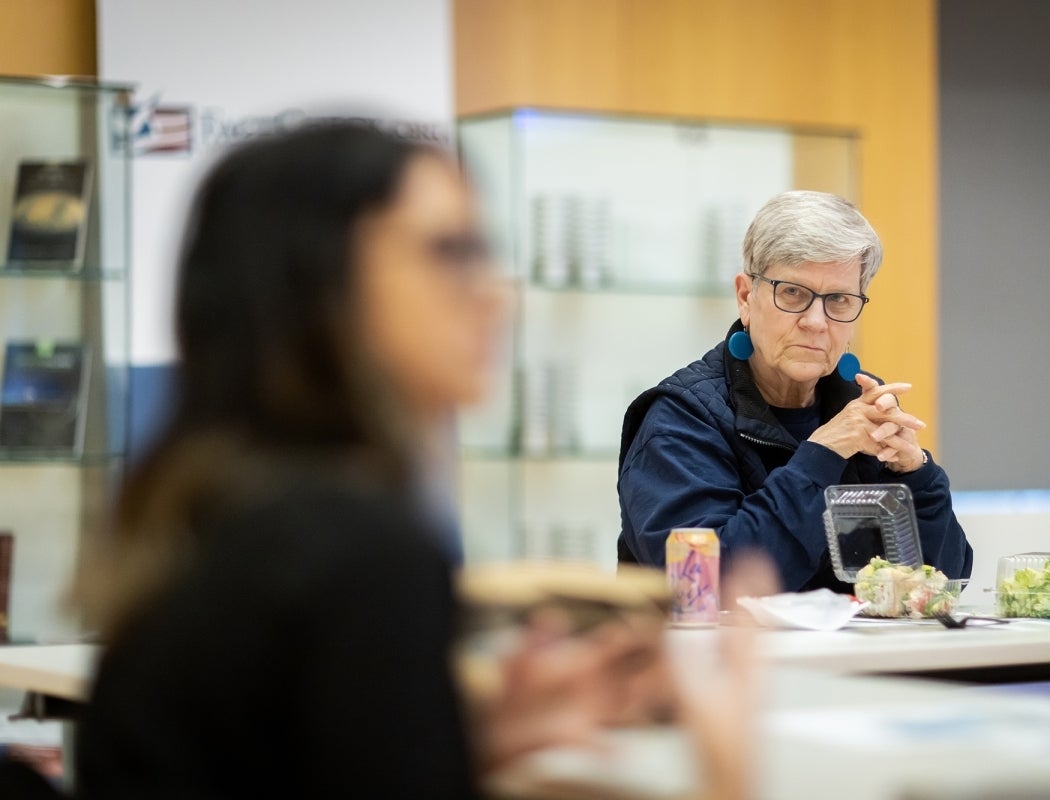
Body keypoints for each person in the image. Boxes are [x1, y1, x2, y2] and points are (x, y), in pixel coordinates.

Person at [70, 121, 746, 798]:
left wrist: (466, 745)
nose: (493, 292)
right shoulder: (356, 548)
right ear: (318, 279)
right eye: (451, 251)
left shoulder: (212, 505)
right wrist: (720, 776)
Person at [617, 190, 972, 592]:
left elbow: (941, 583)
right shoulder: (680, 417)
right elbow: (707, 585)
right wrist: (821, 454)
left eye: (838, 299)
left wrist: (915, 474)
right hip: (723, 655)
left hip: (860, 655)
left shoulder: (862, 407)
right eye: (793, 293)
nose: (816, 322)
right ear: (746, 297)